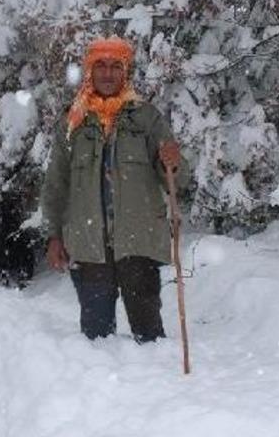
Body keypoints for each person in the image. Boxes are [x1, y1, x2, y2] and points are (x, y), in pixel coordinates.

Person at [42, 36, 191, 343]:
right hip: (88, 246)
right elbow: (56, 184)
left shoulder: (147, 118)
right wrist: (54, 235)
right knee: (96, 341)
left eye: (115, 66)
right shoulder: (73, 123)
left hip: (138, 243)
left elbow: (177, 180)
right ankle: (99, 393)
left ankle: (154, 390)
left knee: (149, 337)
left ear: (125, 72)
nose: (108, 74)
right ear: (89, 71)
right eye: (101, 66)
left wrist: (173, 164)